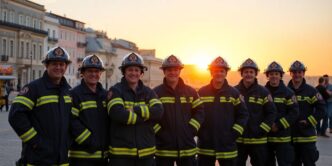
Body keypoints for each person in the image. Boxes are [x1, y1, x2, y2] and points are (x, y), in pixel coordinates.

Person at [8, 46, 72, 165]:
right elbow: (15, 116)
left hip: (61, 159)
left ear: (66, 67)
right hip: (38, 159)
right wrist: (35, 142)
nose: (58, 67)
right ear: (47, 66)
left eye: (62, 64)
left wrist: (68, 142)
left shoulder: (68, 91)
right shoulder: (34, 88)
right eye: (54, 64)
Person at [107, 52, 163, 166]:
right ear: (124, 72)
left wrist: (135, 109)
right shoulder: (116, 90)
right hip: (121, 155)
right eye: (130, 70)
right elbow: (117, 113)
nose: (134, 73)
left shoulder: (148, 92)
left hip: (146, 154)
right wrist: (146, 118)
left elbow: (159, 111)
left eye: (137, 70)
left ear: (141, 73)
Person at [153, 55, 205, 166]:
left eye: (175, 70)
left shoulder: (191, 92)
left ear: (180, 71)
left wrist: (191, 129)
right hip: (164, 149)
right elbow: (150, 116)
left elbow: (200, 111)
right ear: (164, 72)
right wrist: (160, 132)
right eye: (169, 70)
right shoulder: (155, 93)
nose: (173, 73)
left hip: (187, 147)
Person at [197, 56, 249, 166]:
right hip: (206, 144)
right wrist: (200, 133)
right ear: (211, 73)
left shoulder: (234, 93)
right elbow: (194, 114)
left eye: (222, 71)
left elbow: (243, 115)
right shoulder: (201, 92)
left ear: (226, 73)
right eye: (216, 71)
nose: (219, 74)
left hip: (227, 146)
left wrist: (234, 134)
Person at [234, 58, 277, 166]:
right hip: (239, 140)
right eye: (246, 72)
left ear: (255, 74)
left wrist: (262, 129)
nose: (248, 74)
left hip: (258, 142)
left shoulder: (263, 92)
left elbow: (271, 113)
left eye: (251, 72)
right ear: (241, 74)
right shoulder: (234, 91)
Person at [69, 55, 109, 165]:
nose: (93, 74)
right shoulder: (75, 94)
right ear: (83, 73)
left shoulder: (105, 95)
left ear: (100, 73)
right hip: (81, 157)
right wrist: (89, 140)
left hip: (103, 157)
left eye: (97, 71)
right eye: (90, 71)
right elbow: (72, 121)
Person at [287, 60, 326, 166]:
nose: (297, 75)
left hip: (307, 138)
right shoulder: (285, 91)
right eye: (294, 72)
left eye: (299, 72)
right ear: (290, 73)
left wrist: (309, 122)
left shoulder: (311, 91)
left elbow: (322, 110)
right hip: (290, 138)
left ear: (303, 73)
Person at [264, 61, 299, 166]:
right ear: (267, 76)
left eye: (276, 74)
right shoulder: (262, 92)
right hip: (266, 138)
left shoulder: (288, 93)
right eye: (271, 74)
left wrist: (278, 125)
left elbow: (294, 113)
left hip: (283, 139)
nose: (274, 76)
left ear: (281, 76)